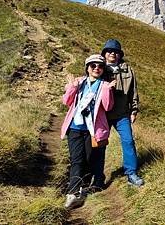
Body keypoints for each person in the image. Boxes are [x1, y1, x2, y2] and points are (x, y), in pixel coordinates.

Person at [61, 54, 115, 209]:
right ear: (87, 68)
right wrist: (71, 87)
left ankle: (85, 185)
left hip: (93, 131)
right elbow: (66, 101)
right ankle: (73, 193)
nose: (96, 68)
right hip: (75, 128)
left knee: (89, 160)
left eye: (100, 66)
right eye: (93, 66)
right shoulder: (79, 82)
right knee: (77, 160)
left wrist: (107, 90)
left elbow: (108, 106)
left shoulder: (105, 85)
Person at [101, 39, 144, 187]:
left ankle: (131, 173)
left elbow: (133, 92)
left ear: (119, 55)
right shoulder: (98, 68)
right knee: (99, 144)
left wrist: (134, 110)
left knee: (128, 141)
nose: (112, 53)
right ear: (105, 54)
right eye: (109, 51)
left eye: (116, 51)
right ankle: (96, 177)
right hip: (103, 115)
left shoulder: (128, 70)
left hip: (122, 114)